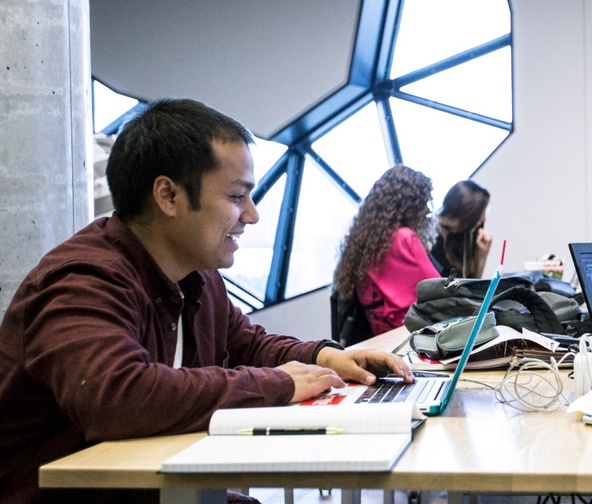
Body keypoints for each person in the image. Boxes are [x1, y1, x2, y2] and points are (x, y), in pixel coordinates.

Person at [0, 98, 414, 504]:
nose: (251, 215)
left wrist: (324, 357)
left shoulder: (197, 276)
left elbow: (245, 343)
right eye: (237, 197)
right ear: (168, 196)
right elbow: (118, 396)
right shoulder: (83, 280)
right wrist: (280, 383)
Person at [334, 164, 440, 336]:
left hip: (383, 339)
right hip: (414, 337)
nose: (427, 209)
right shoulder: (404, 238)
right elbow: (443, 293)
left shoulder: (364, 243)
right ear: (408, 204)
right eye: (422, 202)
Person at [430, 179, 493, 279]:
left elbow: (471, 287)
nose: (484, 218)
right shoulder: (428, 237)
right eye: (479, 213)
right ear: (465, 213)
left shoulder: (461, 236)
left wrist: (482, 256)